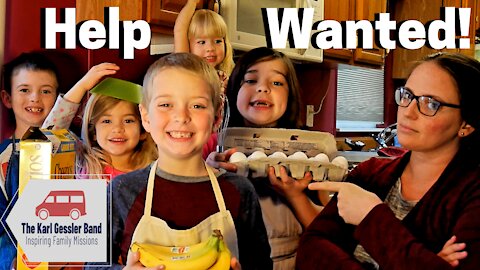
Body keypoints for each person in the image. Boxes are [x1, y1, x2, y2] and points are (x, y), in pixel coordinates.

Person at [296, 52, 480, 269]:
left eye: (431, 104)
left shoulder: (472, 194)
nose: (407, 112)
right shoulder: (370, 174)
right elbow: (310, 249)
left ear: (466, 125)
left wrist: (370, 216)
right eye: (407, 95)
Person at [96, 53, 272, 269]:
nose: (181, 116)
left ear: (216, 117)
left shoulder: (239, 191)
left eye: (197, 106)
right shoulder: (122, 190)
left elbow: (262, 264)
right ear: (146, 117)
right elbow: (93, 263)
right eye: (166, 104)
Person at [207, 47, 327, 269]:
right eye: (251, 80)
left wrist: (295, 196)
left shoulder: (311, 154)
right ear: (234, 90)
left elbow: (328, 232)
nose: (263, 87)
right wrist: (207, 174)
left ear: (290, 94)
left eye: (277, 83)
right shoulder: (213, 147)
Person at [42, 65, 157, 181]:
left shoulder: (153, 171)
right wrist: (82, 86)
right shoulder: (84, 161)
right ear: (93, 132)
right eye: (107, 121)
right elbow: (51, 133)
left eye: (128, 121)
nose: (117, 129)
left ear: (143, 130)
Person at [0, 52, 59, 269]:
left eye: (45, 91)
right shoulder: (2, 161)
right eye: (24, 90)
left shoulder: (74, 146)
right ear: (7, 98)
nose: (35, 98)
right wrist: (12, 262)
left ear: (57, 98)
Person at [174, 0, 235, 158]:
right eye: (201, 42)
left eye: (217, 41)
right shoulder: (188, 72)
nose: (210, 48)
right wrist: (192, 3)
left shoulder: (226, 77)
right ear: (188, 45)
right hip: (195, 144)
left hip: (221, 145)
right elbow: (180, 29)